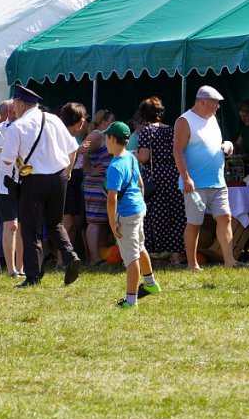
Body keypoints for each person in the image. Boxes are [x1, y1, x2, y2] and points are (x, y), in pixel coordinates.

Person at [0, 85, 83, 288]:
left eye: (15, 105)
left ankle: (33, 275)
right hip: (59, 177)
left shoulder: (17, 127)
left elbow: (7, 161)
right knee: (55, 223)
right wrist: (69, 172)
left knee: (30, 229)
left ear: (20, 104)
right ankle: (70, 256)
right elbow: (73, 149)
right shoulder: (54, 119)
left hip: (33, 180)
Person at [175, 86, 236, 270]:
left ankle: (230, 262)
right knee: (194, 223)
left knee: (225, 217)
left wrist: (227, 145)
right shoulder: (185, 120)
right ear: (201, 102)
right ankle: (192, 264)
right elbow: (177, 151)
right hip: (195, 183)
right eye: (214, 103)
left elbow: (215, 144)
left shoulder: (212, 119)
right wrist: (186, 178)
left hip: (218, 181)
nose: (217, 106)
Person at [104, 121, 161, 308]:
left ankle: (131, 300)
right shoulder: (131, 157)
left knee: (131, 258)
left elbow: (112, 199)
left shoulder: (115, 167)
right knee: (140, 246)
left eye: (106, 137)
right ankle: (151, 284)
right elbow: (140, 183)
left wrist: (113, 223)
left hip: (126, 215)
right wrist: (141, 203)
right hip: (138, 209)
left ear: (112, 139)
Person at [136, 97, 185, 266]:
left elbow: (143, 157)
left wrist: (130, 153)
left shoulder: (146, 132)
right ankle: (176, 257)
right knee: (177, 216)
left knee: (154, 216)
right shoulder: (172, 130)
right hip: (173, 175)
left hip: (155, 178)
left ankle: (153, 255)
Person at [0, 100, 23, 277]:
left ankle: (21, 267)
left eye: (13, 110)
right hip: (4, 182)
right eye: (8, 111)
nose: (11, 113)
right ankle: (11, 269)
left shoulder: (26, 127)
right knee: (12, 226)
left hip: (24, 181)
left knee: (23, 226)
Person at [79, 112, 112, 266]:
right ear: (103, 122)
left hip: (104, 185)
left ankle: (102, 255)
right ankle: (94, 258)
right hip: (95, 185)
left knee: (102, 222)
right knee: (94, 222)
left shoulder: (104, 135)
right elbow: (81, 149)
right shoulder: (96, 134)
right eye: (112, 120)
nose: (114, 122)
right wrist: (90, 170)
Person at [58, 102, 88, 259]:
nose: (84, 123)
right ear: (77, 119)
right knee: (66, 222)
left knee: (74, 222)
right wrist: (80, 149)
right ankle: (59, 260)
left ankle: (69, 257)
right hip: (65, 179)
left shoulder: (74, 136)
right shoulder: (62, 135)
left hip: (76, 178)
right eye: (83, 118)